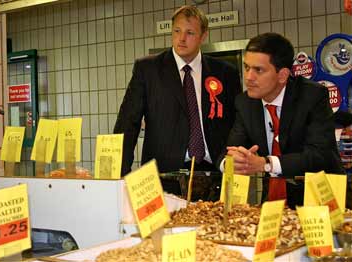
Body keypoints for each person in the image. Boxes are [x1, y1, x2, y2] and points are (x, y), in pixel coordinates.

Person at [114, 5, 242, 176]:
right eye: (177, 31)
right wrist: (120, 174)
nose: (182, 38)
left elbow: (238, 122)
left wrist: (231, 162)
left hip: (215, 172)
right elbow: (128, 122)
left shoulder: (225, 72)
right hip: (164, 174)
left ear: (203, 36)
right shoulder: (148, 69)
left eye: (190, 33)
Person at [221, 32, 344, 208]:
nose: (248, 77)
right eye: (247, 67)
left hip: (319, 200)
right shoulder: (245, 102)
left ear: (283, 75)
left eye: (258, 70)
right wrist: (234, 162)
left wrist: (266, 164)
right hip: (272, 206)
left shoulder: (312, 96)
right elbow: (231, 149)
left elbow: (320, 155)